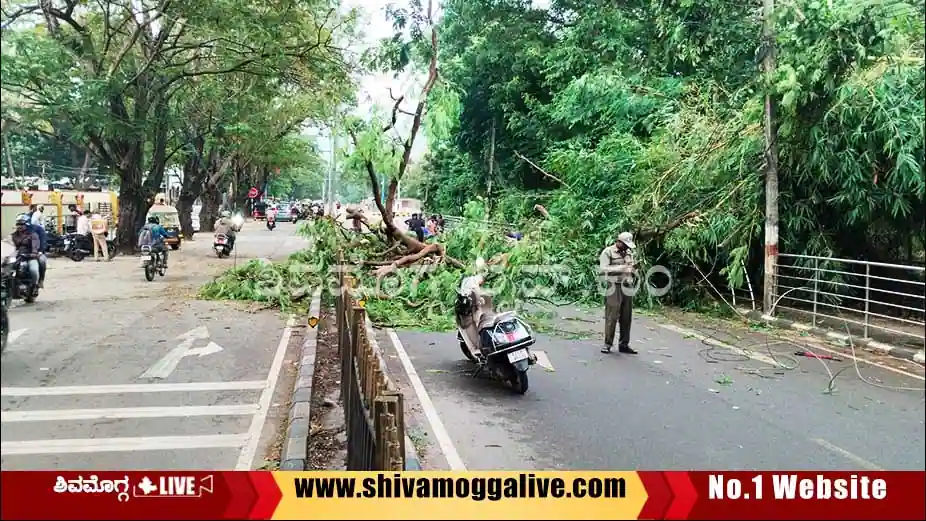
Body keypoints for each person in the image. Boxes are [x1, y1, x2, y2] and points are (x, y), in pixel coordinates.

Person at [598, 231, 638, 354]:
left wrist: (633, 269)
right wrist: (622, 268)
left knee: (626, 317)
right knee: (612, 316)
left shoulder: (629, 253)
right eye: (625, 244)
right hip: (613, 286)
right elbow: (602, 270)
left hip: (627, 286)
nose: (626, 247)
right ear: (618, 242)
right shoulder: (608, 252)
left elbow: (630, 268)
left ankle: (624, 344)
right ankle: (607, 344)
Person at [9, 215, 41, 289]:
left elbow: (35, 247)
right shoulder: (12, 235)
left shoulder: (33, 235)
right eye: (18, 224)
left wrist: (33, 254)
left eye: (22, 224)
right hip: (16, 258)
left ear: (27, 224)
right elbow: (7, 244)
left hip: (29, 257)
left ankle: (34, 286)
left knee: (34, 270)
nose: (19, 226)